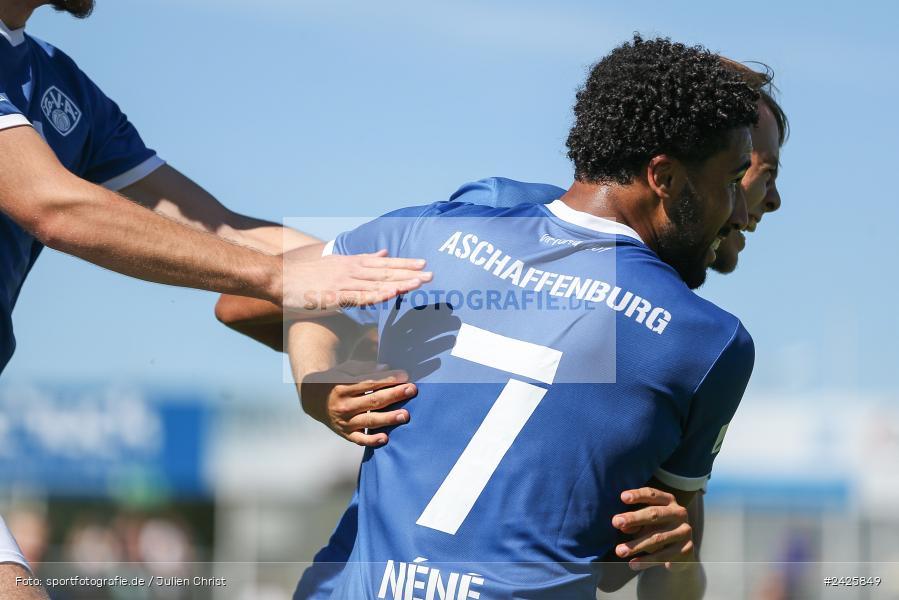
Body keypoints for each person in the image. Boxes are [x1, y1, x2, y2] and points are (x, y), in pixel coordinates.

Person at [216, 56, 787, 598]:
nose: (753, 205)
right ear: (663, 172)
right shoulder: (704, 339)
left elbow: (640, 564)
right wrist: (343, 375)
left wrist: (337, 377)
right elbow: (256, 300)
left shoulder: (451, 230)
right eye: (746, 174)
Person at [0, 0, 430, 590]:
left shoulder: (63, 85)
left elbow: (223, 229)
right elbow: (51, 204)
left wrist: (424, 288)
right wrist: (278, 279)